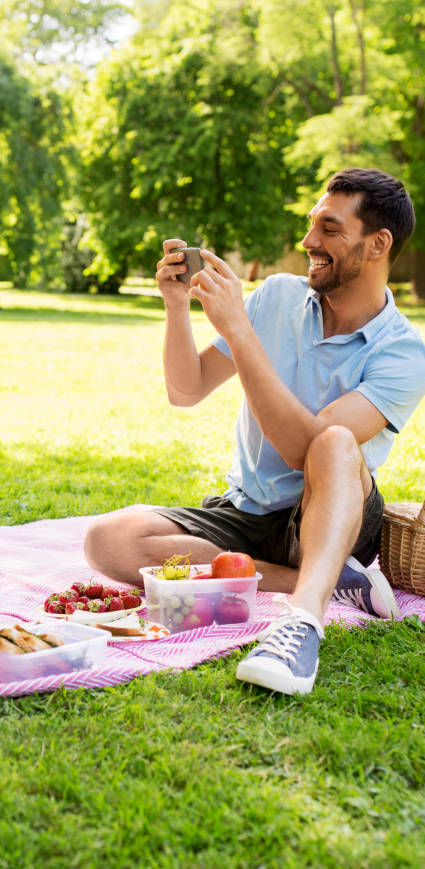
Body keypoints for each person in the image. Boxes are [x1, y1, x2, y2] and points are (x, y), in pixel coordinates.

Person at [85, 168, 425, 696]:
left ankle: (302, 620)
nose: (309, 241)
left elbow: (304, 449)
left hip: (325, 509)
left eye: (330, 229)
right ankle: (331, 580)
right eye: (312, 224)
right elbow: (187, 389)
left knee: (333, 442)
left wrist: (240, 331)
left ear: (378, 243)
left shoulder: (404, 353)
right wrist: (178, 307)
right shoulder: (278, 297)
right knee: (108, 541)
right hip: (245, 511)